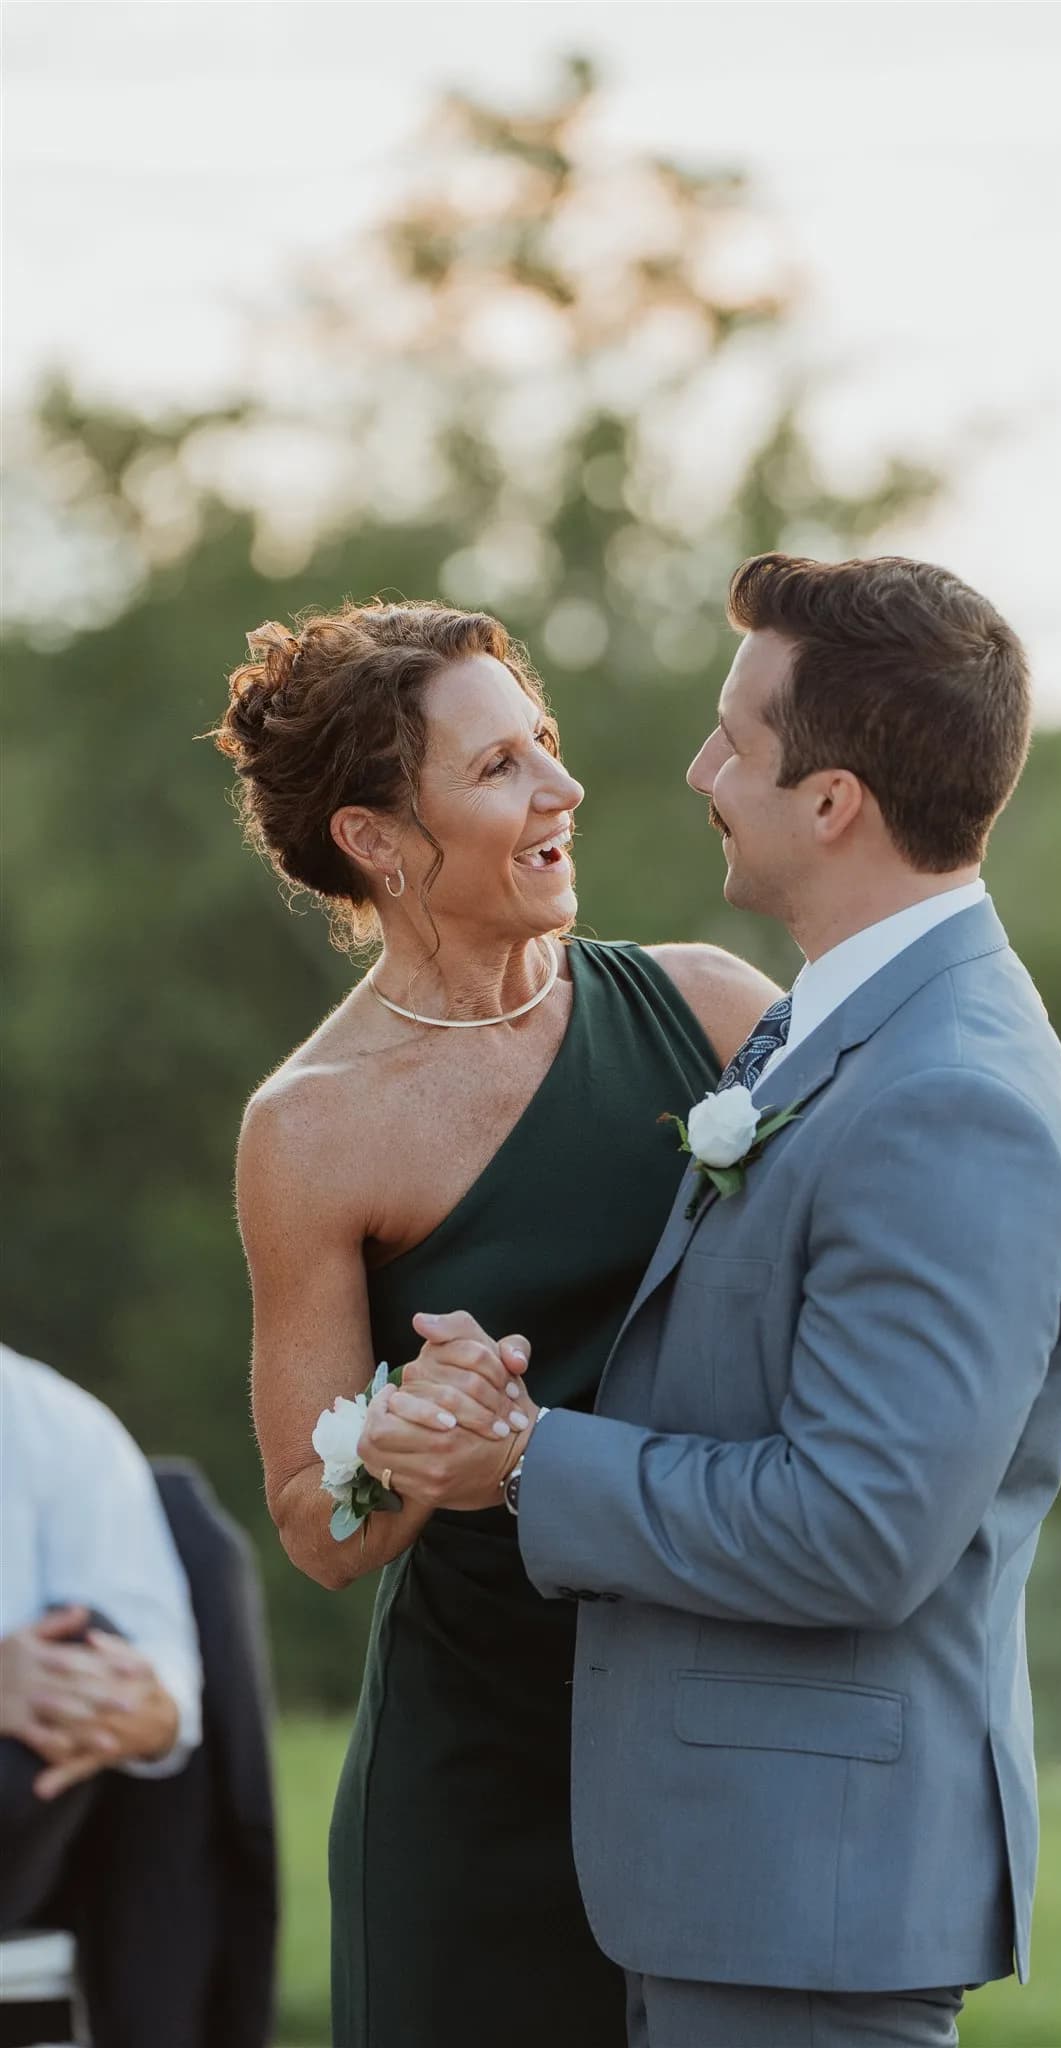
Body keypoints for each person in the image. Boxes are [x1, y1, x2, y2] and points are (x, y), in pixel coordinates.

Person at [366, 554, 1061, 2048]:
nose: (700, 770)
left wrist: (526, 1459)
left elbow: (861, 1530)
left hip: (807, 1898)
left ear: (830, 803)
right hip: (732, 1876)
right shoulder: (828, 1031)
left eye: (735, 743)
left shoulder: (951, 1095)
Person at [215, 601, 776, 2048]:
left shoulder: (714, 1011)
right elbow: (316, 1528)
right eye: (498, 769)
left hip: (726, 1738)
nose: (562, 790)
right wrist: (405, 1443)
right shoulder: (311, 1133)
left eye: (546, 746)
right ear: (379, 843)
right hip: (471, 1792)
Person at [0, 1342, 204, 2035]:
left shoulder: (56, 1422)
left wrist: (134, 1707)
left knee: (97, 1636)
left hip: (26, 1815)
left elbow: (161, 1670)